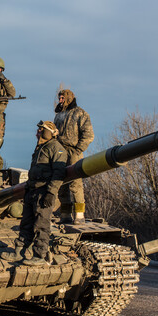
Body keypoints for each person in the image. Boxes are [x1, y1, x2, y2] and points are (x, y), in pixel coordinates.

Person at [2, 121, 67, 265]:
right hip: (32, 191)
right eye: (38, 130)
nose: (37, 133)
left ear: (48, 132)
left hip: (44, 192)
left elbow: (59, 173)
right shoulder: (41, 148)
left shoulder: (56, 148)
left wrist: (51, 193)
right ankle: (19, 252)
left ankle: (39, 255)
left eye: (41, 130)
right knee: (26, 223)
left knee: (41, 225)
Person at [54, 89, 94, 224]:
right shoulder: (59, 115)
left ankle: (79, 215)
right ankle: (65, 215)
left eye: (62, 98)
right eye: (59, 97)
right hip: (60, 152)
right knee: (61, 184)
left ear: (69, 98)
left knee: (75, 183)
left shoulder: (80, 113)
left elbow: (88, 134)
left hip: (73, 151)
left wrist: (78, 149)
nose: (60, 100)